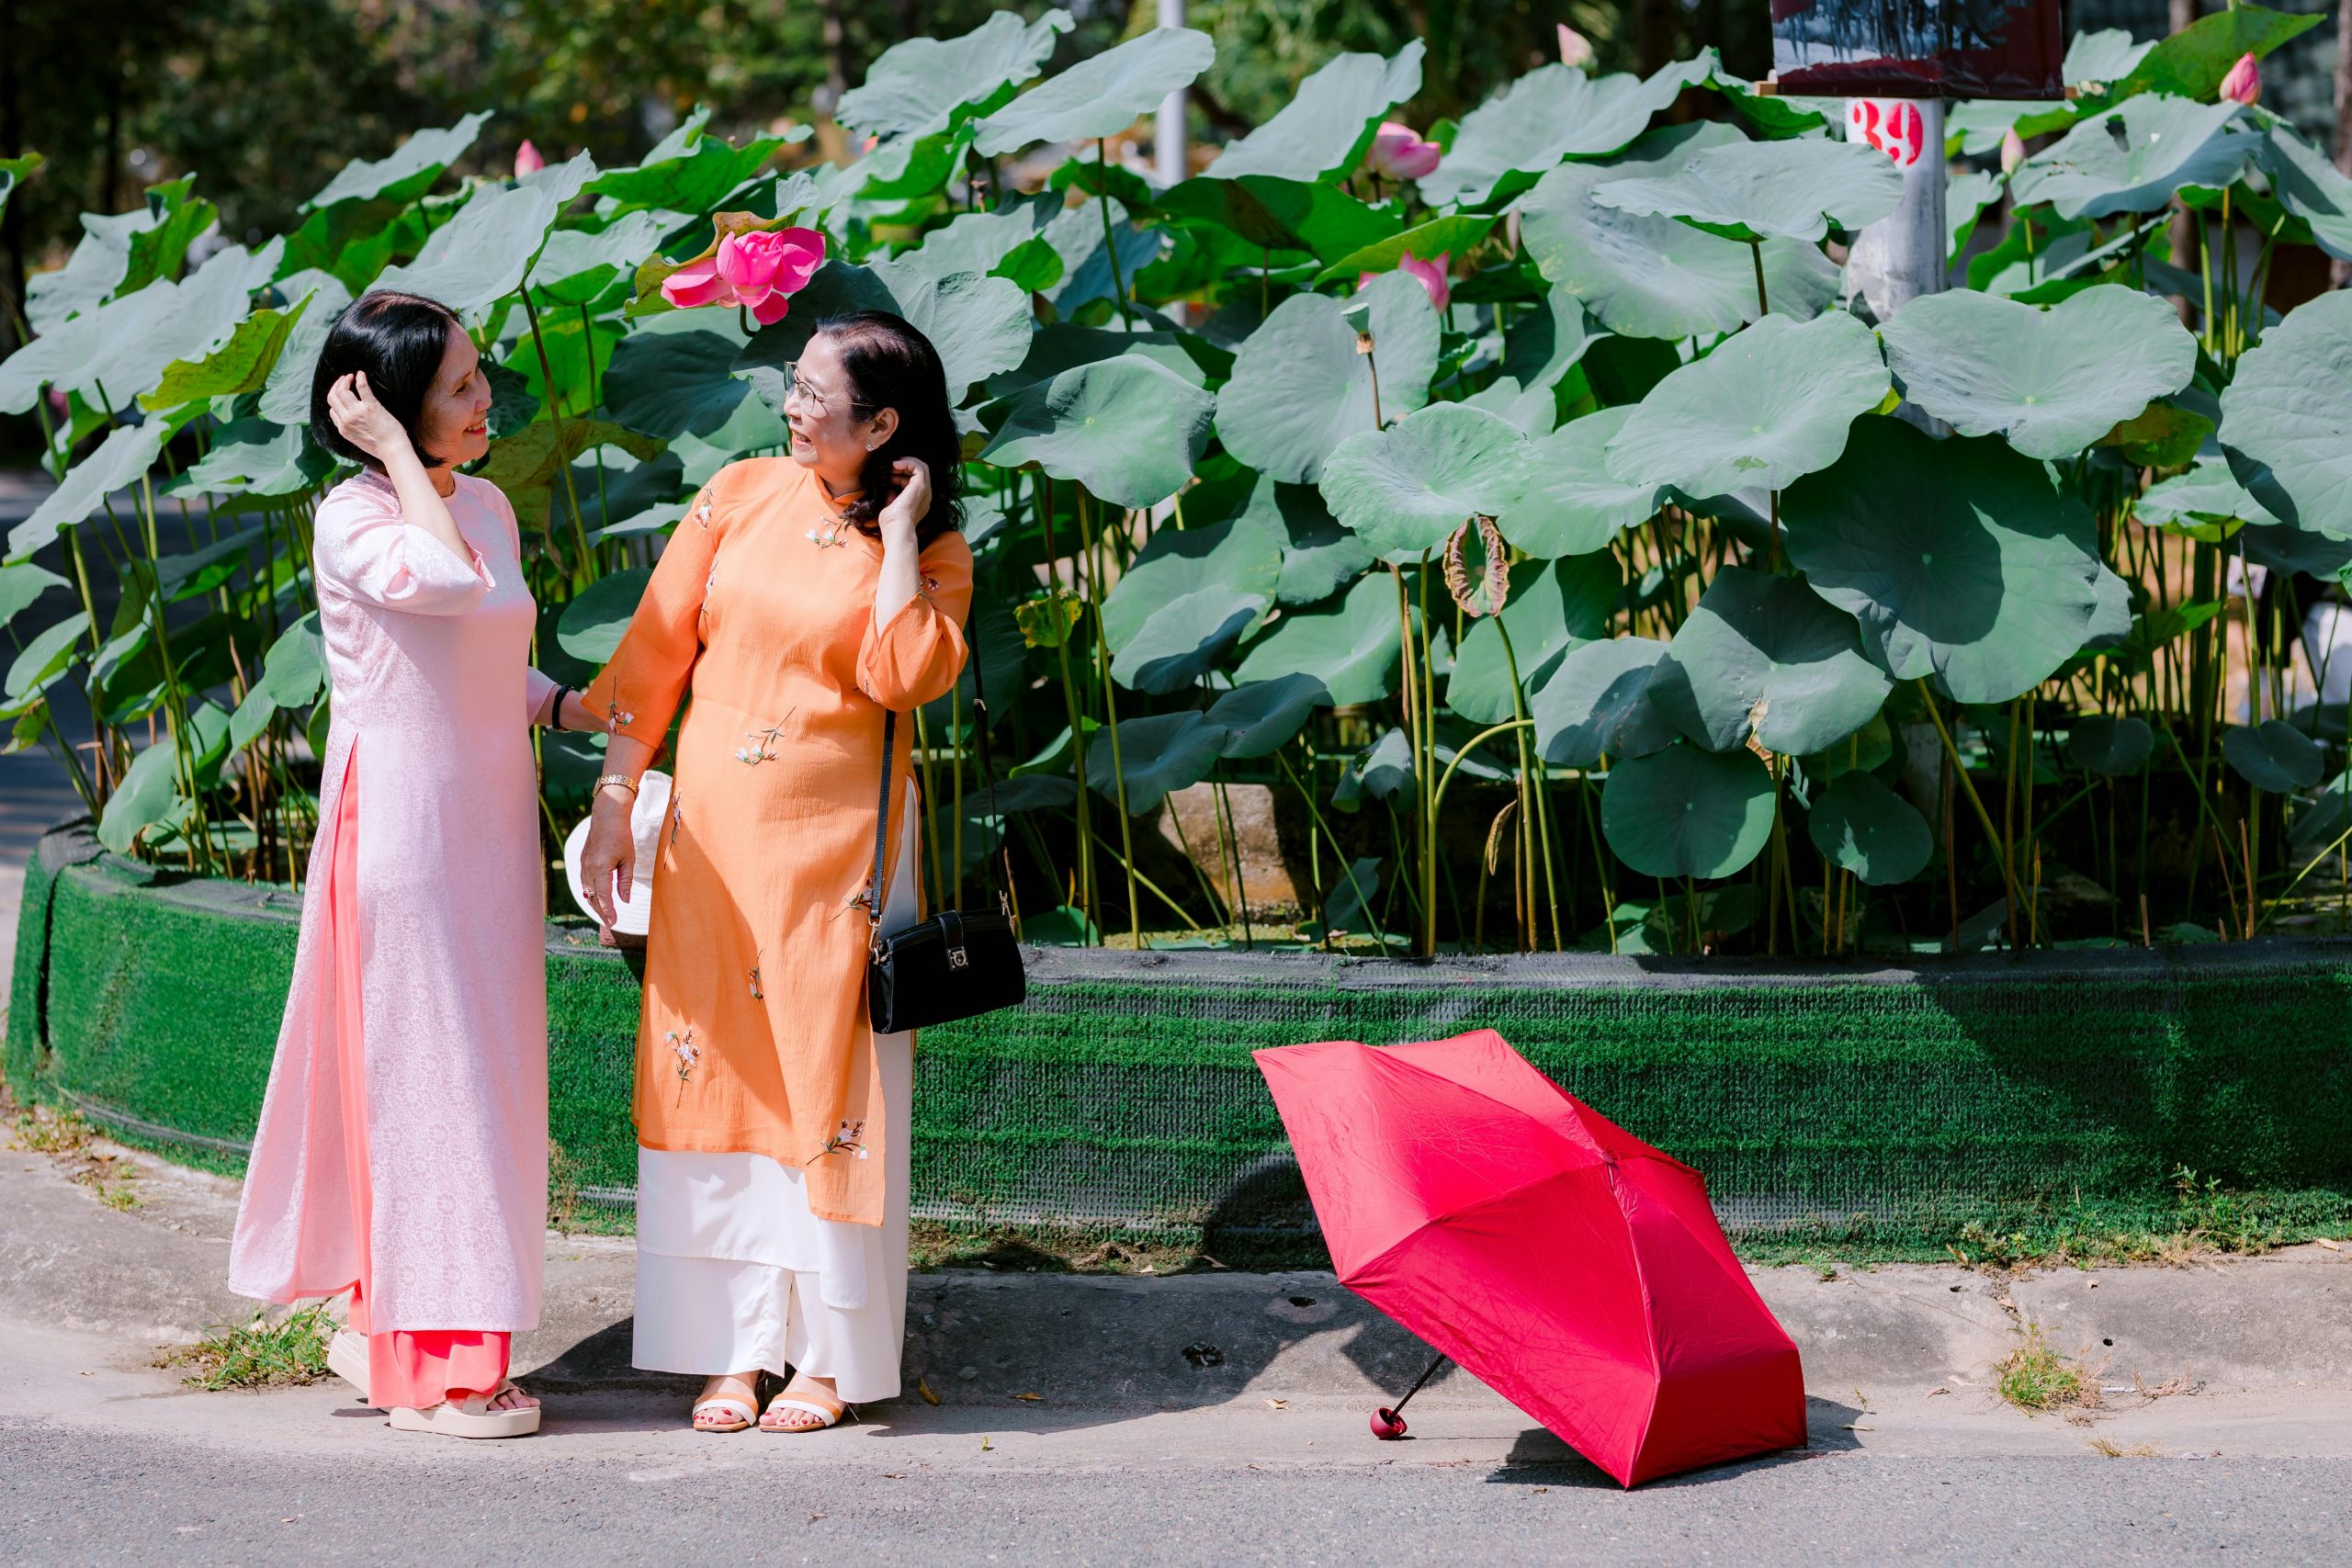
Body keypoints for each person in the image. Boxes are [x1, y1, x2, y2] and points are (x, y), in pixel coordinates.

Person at [575, 311, 973, 1434]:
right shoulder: (740, 490)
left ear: (884, 425)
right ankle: (734, 1348)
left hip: (838, 857)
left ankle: (828, 1357)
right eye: (791, 386)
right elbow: (655, 652)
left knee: (824, 1083)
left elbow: (902, 676)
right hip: (711, 846)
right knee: (715, 1073)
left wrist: (897, 534)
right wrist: (615, 805)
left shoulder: (937, 553)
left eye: (815, 395)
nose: (791, 407)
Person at [228, 290, 595, 1438]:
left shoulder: (479, 502)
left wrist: (563, 702)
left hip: (488, 829)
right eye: (458, 389)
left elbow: (482, 647)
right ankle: (438, 1367)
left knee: (485, 1082)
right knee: (430, 1086)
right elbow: (438, 591)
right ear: (385, 409)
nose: (487, 401)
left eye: (480, 377)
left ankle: (401, 1321)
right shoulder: (354, 516)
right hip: (402, 835)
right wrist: (387, 451)